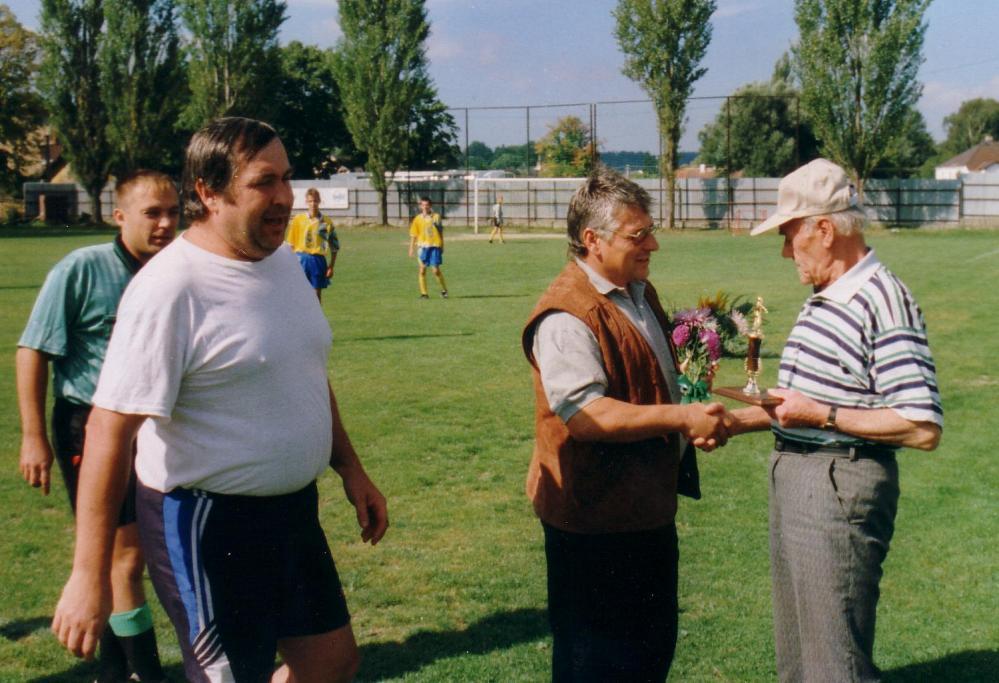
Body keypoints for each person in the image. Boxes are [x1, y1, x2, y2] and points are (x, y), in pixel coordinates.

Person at [51, 117, 388, 683]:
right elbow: (109, 429)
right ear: (209, 192)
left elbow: (302, 371)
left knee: (331, 664)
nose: (284, 197)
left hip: (291, 512)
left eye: (286, 178)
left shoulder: (282, 262)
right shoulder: (170, 288)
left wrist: (350, 469)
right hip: (206, 523)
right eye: (264, 182)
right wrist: (88, 574)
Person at [729, 158, 943, 682]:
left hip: (837, 483)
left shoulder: (882, 299)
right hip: (802, 477)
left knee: (834, 663)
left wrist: (821, 415)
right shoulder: (826, 297)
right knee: (800, 655)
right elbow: (802, 404)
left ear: (824, 229)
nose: (785, 251)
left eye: (788, 235)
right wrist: (733, 421)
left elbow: (921, 425)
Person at [522, 165, 734, 681]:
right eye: (638, 236)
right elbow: (588, 415)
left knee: (647, 657)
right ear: (592, 240)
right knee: (596, 667)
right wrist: (682, 417)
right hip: (594, 528)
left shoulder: (639, 292)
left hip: (643, 516)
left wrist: (700, 406)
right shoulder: (566, 316)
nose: (654, 245)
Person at [17, 169, 178, 683]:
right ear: (120, 216)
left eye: (174, 212)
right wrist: (33, 436)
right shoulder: (81, 268)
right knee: (125, 556)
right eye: (153, 213)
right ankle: (146, 673)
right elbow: (32, 351)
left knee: (126, 556)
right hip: (89, 423)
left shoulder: (172, 271)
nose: (166, 223)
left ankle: (114, 669)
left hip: (155, 427)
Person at [286, 187, 340, 301]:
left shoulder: (326, 222)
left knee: (316, 295)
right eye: (310, 201)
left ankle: (316, 318)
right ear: (306, 202)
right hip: (301, 259)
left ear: (319, 201)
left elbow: (334, 247)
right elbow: (290, 244)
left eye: (315, 201)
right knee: (299, 294)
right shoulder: (298, 220)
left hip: (318, 260)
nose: (313, 204)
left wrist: (331, 266)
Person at [408, 196, 448, 299]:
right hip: (422, 247)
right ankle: (424, 294)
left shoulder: (436, 217)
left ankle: (444, 290)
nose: (425, 207)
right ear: (420, 206)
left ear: (430, 206)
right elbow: (413, 234)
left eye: (427, 205)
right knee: (422, 270)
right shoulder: (417, 219)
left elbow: (440, 232)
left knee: (435, 270)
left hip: (434, 246)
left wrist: (442, 245)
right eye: (423, 205)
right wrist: (411, 248)